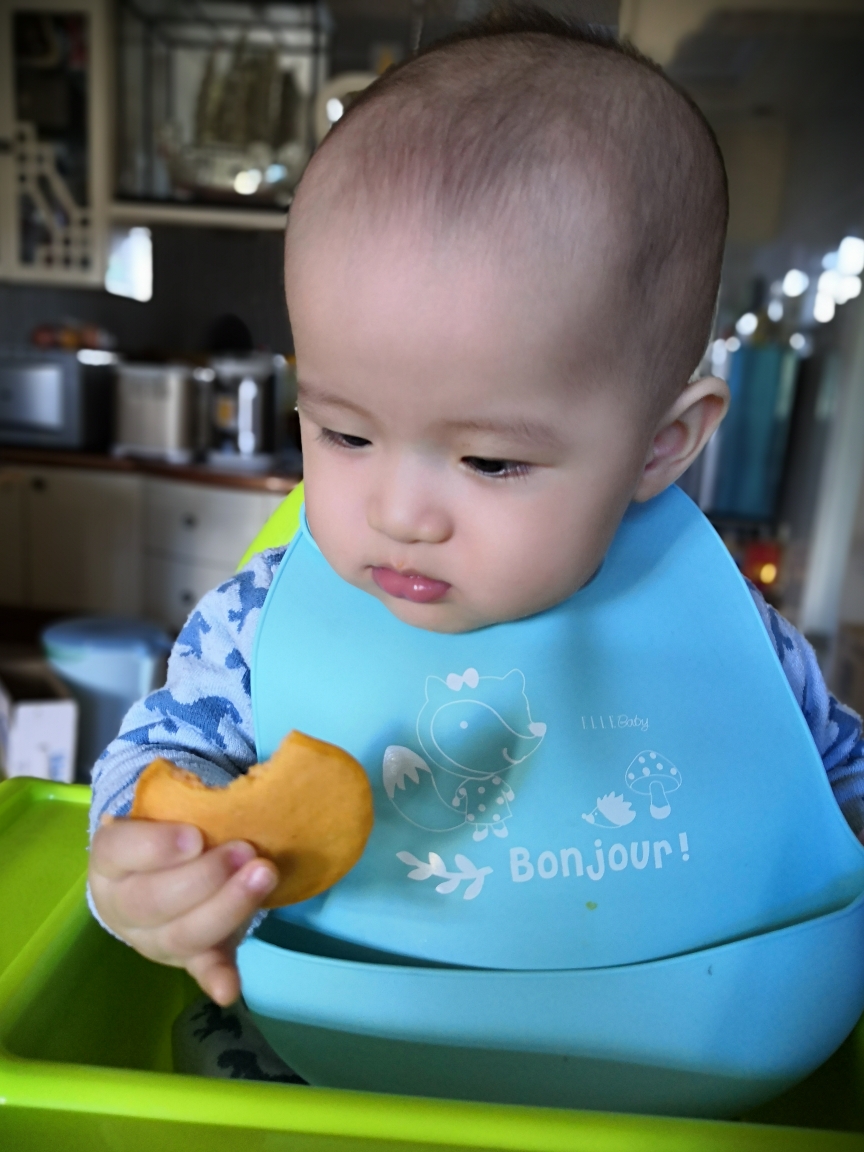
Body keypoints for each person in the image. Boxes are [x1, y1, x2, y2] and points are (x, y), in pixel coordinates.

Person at [89, 9, 864, 1014]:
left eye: (491, 460)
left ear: (661, 446)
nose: (401, 513)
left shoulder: (732, 642)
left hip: (687, 1053)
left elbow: (838, 786)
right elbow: (157, 767)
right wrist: (143, 880)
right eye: (345, 434)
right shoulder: (258, 629)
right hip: (334, 1048)